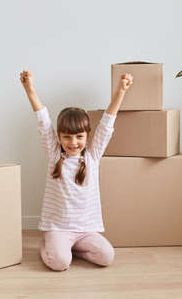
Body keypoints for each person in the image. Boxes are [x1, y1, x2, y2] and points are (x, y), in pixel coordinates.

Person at [20, 70, 133, 271]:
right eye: (67, 137)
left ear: (87, 136)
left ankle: (70, 250)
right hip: (58, 228)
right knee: (60, 263)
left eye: (79, 136)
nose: (73, 143)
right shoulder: (55, 154)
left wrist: (120, 91)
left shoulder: (92, 156)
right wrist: (30, 89)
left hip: (85, 231)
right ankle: (51, 246)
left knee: (107, 256)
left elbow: (107, 123)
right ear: (60, 137)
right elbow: (43, 122)